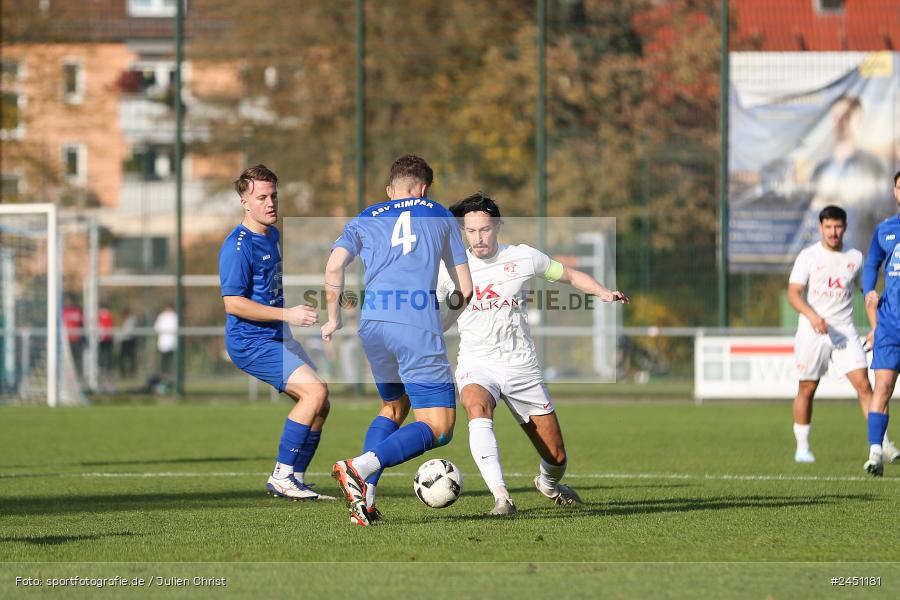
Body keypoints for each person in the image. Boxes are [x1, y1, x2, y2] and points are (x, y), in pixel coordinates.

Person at [435, 193, 628, 515]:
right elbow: (425, 304)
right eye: (470, 231)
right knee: (476, 406)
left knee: (557, 457)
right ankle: (502, 498)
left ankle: (548, 485)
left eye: (484, 229)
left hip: (521, 367)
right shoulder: (450, 270)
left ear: (497, 227)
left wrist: (603, 292)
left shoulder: (523, 257)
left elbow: (569, 275)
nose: (478, 237)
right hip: (476, 362)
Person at [322, 154, 473, 526]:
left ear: (392, 191)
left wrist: (334, 316)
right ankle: (358, 468)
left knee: (393, 406)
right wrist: (440, 322)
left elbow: (333, 266)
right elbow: (465, 289)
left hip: (373, 326)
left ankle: (365, 499)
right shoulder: (438, 213)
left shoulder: (366, 217)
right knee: (439, 427)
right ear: (423, 188)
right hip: (415, 326)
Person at [219, 164, 334, 500]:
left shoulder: (272, 235)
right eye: (261, 197)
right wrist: (288, 313)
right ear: (245, 201)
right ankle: (282, 477)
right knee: (313, 394)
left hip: (276, 336)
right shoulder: (237, 247)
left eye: (273, 195)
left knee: (321, 400)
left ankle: (294, 478)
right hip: (250, 342)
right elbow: (234, 304)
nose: (270, 203)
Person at [787, 204, 898, 464]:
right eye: (828, 227)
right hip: (813, 331)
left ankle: (881, 444)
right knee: (807, 387)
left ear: (844, 227)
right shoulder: (808, 256)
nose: (833, 232)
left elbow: (868, 295)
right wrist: (813, 316)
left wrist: (874, 327)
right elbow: (793, 293)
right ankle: (802, 447)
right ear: (820, 228)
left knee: (864, 384)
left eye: (837, 227)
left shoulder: (855, 258)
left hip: (844, 331)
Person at [809, 95, 891, 251]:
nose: (840, 122)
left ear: (858, 119)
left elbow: (882, 210)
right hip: (827, 256)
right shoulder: (821, 169)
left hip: (860, 253)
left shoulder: (874, 167)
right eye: (836, 116)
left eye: (846, 116)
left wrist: (846, 205)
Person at [861, 171, 900, 476]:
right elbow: (871, 263)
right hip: (889, 324)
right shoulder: (885, 230)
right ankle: (876, 453)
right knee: (883, 386)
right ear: (895, 191)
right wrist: (869, 290)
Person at [153, 303, 177, 391]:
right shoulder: (173, 316)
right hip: (169, 344)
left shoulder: (164, 316)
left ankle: (166, 381)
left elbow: (156, 328)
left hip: (165, 344)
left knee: (165, 364)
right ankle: (165, 381)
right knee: (167, 364)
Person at [62, 294, 84, 377]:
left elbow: (82, 324)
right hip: (66, 340)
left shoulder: (78, 311)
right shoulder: (63, 311)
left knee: (76, 358)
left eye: (69, 300)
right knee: (67, 359)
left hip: (76, 339)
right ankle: (68, 375)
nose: (68, 302)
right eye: (67, 300)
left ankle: (78, 374)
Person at [117, 307, 138, 378]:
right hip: (124, 341)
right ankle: (123, 373)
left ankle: (132, 373)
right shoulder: (122, 319)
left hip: (131, 340)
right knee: (122, 357)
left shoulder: (132, 319)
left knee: (132, 357)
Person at [97, 305, 114, 378]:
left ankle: (107, 369)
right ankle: (102, 368)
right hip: (101, 339)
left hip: (107, 338)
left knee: (107, 355)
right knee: (102, 355)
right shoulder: (99, 316)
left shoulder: (109, 316)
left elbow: (111, 326)